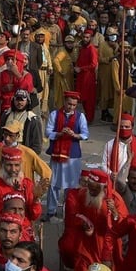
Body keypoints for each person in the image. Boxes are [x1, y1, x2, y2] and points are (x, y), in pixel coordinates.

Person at [58, 170, 128, 271]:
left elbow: (123, 226)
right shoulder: (82, 194)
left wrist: (115, 214)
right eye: (89, 188)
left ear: (103, 188)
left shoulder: (115, 200)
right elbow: (73, 216)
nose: (91, 192)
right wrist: (83, 223)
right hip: (85, 245)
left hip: (106, 247)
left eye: (95, 190)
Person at [45, 91, 89, 219]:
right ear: (64, 102)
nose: (71, 107)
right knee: (53, 184)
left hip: (73, 155)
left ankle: (68, 210)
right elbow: (48, 132)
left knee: (71, 185)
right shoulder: (54, 114)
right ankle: (51, 211)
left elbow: (85, 134)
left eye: (74, 105)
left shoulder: (80, 117)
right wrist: (58, 134)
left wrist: (74, 135)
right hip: (57, 154)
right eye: (69, 104)